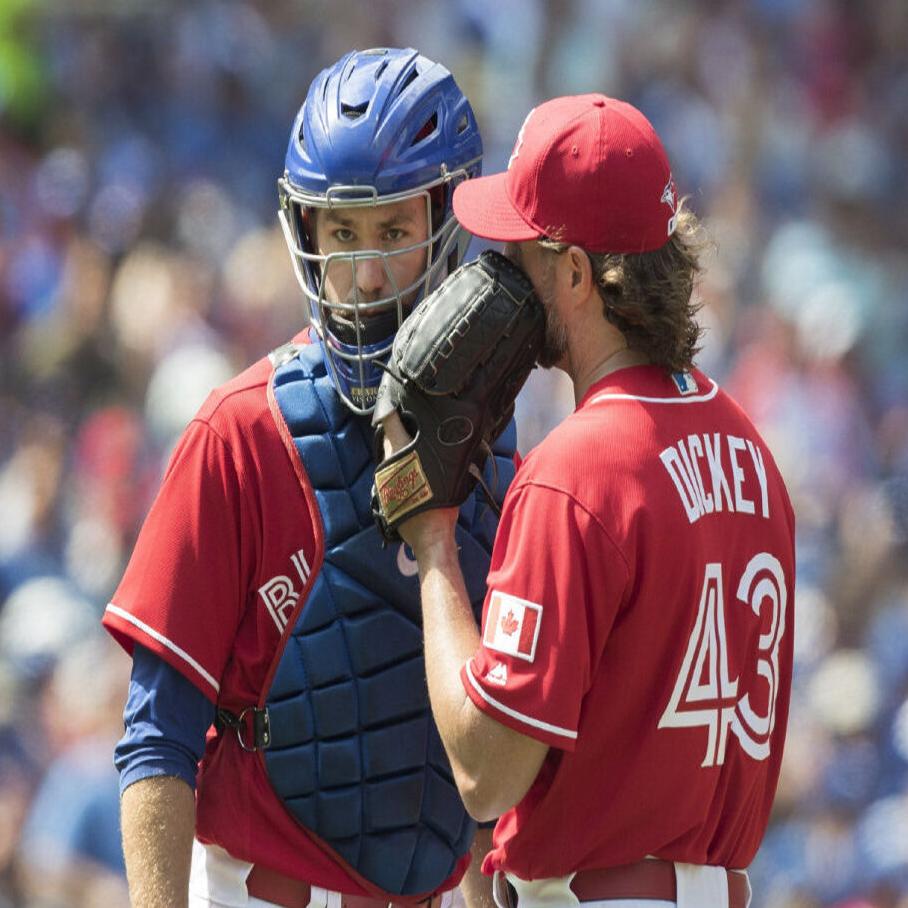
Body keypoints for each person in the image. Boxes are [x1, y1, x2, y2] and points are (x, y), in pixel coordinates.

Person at [102, 47, 514, 908]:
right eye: (342, 233)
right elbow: (157, 737)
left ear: (447, 226)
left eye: (393, 232)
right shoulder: (239, 432)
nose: (362, 276)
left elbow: (474, 766)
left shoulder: (496, 442)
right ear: (305, 235)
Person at [380, 94, 796, 908]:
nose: (502, 270)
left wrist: (431, 544)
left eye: (523, 251)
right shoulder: (752, 449)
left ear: (574, 271)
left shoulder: (576, 473)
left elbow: (485, 774)